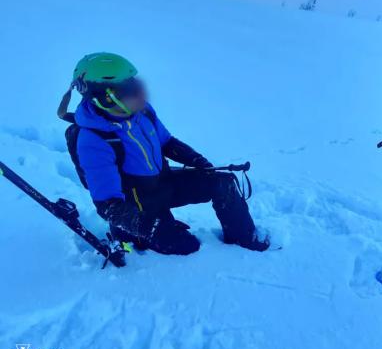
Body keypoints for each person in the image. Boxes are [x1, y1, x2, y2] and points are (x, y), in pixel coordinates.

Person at [66, 52, 270, 255]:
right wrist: (148, 227)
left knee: (222, 183)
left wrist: (195, 159)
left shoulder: (142, 112)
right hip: (138, 208)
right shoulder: (93, 141)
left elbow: (166, 141)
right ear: (104, 97)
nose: (138, 94)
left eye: (134, 85)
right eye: (127, 90)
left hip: (162, 183)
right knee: (188, 246)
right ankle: (127, 236)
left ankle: (245, 240)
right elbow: (108, 206)